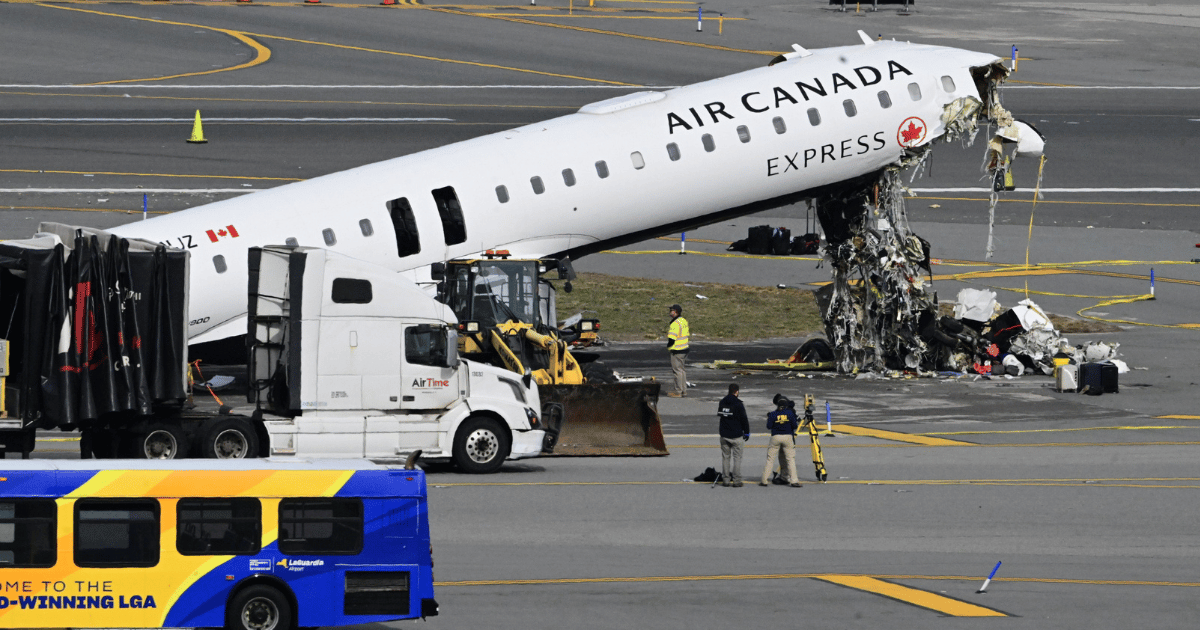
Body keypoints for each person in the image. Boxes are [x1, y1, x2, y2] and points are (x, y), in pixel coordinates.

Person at [760, 394, 801, 488]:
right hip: (787, 437)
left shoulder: (773, 414)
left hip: (775, 437)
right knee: (790, 459)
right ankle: (794, 480)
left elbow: (768, 426)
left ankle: (764, 480)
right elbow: (795, 426)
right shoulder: (790, 413)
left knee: (770, 460)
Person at [717, 383, 750, 487]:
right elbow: (744, 419)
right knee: (737, 458)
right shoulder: (738, 404)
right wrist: (747, 432)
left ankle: (726, 480)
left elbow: (721, 417)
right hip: (736, 435)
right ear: (737, 392)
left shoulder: (722, 402)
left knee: (726, 458)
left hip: (724, 434)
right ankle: (736, 480)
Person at [666, 304, 690, 397]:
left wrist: (669, 347)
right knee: (682, 370)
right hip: (684, 348)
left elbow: (671, 339)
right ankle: (684, 390)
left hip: (677, 350)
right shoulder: (683, 321)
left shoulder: (675, 323)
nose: (670, 312)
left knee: (677, 371)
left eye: (671, 310)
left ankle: (678, 391)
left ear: (675, 312)